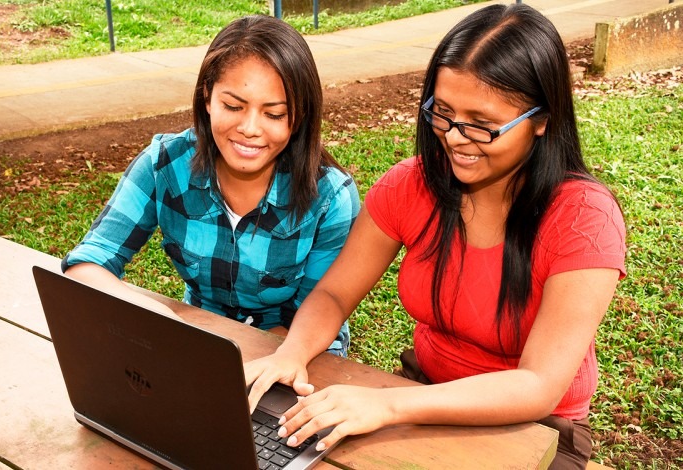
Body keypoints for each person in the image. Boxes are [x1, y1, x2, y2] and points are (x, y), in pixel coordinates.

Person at [244, 4, 626, 468]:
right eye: (441, 113)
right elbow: (335, 292)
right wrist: (292, 352)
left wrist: (387, 405)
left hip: (537, 431)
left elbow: (538, 386)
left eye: (482, 125)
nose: (454, 137)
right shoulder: (411, 185)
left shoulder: (583, 217)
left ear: (542, 119)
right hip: (422, 394)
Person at [62, 15, 360, 356]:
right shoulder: (165, 165)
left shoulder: (331, 198)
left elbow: (316, 313)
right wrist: (159, 320)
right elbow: (88, 263)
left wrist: (229, 356)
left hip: (299, 353)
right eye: (233, 106)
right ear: (207, 97)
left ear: (301, 115)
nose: (250, 128)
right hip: (197, 341)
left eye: (274, 114)